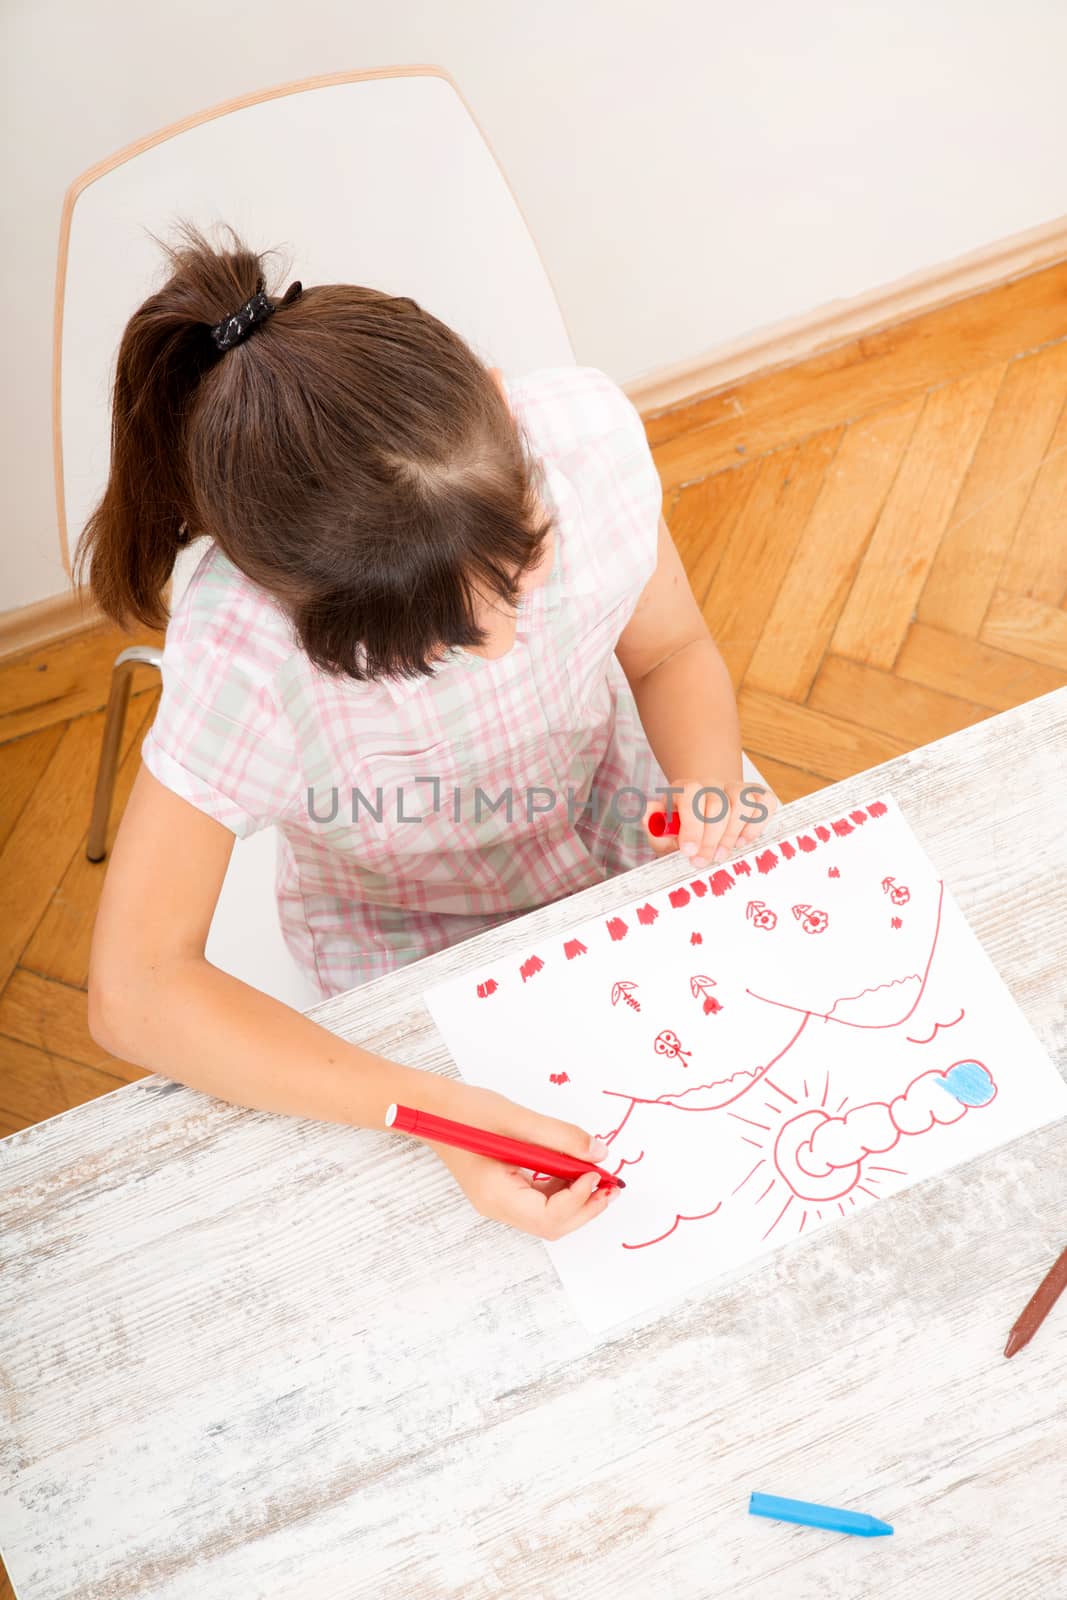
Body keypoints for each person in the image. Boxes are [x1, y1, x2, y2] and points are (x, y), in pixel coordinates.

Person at [82, 226, 777, 1242]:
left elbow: (668, 652)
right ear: (302, 612)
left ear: (501, 404)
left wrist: (708, 782)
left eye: (524, 558)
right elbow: (134, 990)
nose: (502, 638)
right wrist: (433, 1115)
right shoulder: (241, 652)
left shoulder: (577, 441)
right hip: (408, 973)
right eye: (441, 638)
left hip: (627, 855)